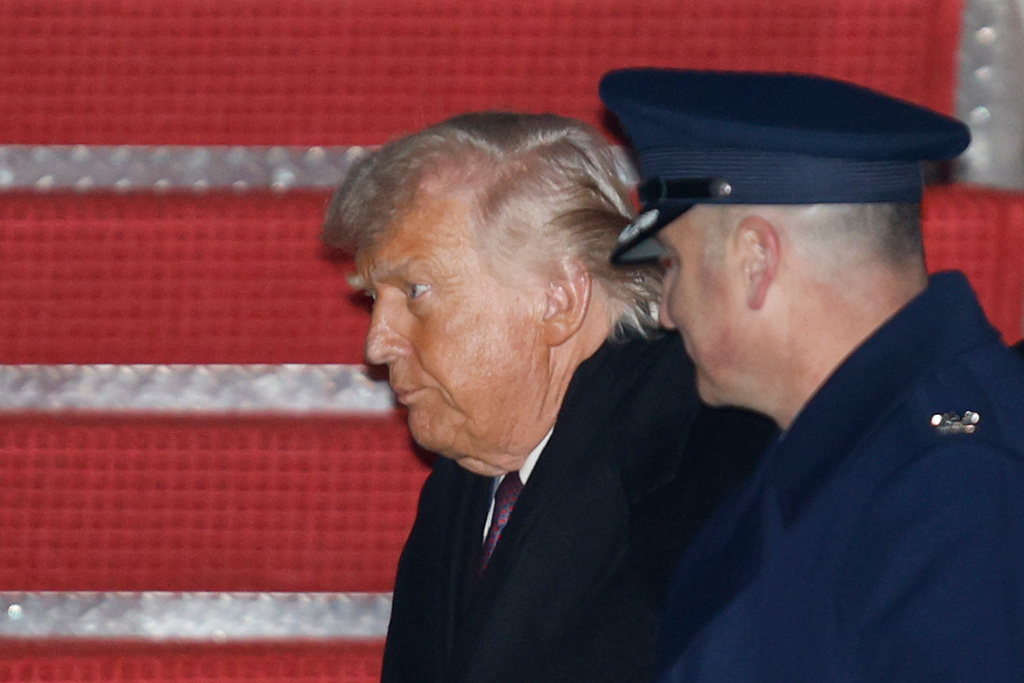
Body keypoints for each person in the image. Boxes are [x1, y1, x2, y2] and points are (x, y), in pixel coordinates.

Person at [600, 68, 1024, 681]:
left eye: (673, 264)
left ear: (756, 260)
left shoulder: (959, 487)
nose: (665, 312)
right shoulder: (841, 452)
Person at [321, 112, 776, 682]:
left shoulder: (713, 458)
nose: (377, 344)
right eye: (373, 300)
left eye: (416, 291)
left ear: (559, 297)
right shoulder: (469, 469)